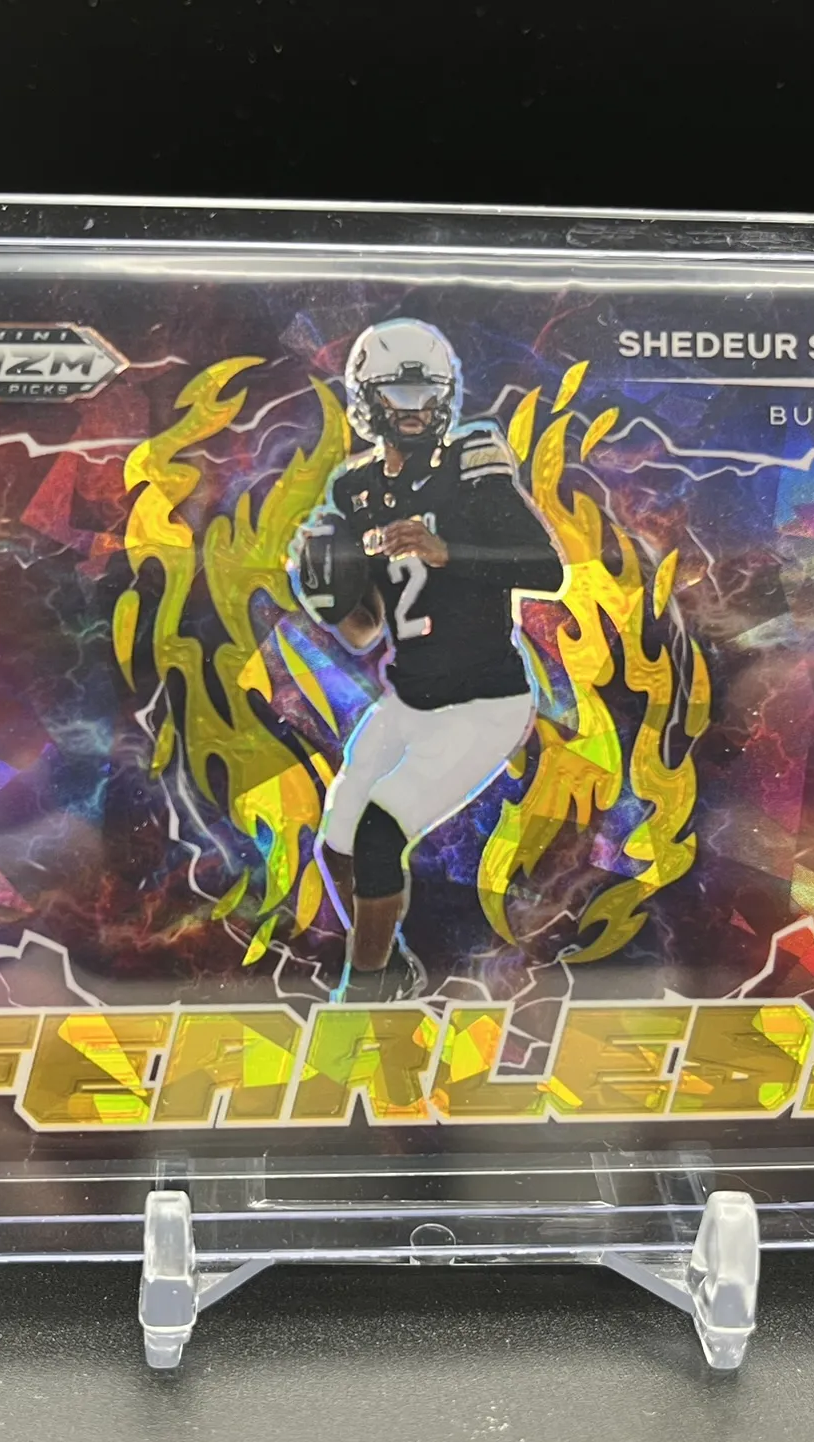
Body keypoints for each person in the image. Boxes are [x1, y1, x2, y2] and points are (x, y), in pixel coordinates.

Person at [289, 319, 567, 1001]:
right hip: (408, 696)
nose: (416, 408)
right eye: (400, 392)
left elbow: (547, 568)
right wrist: (322, 595)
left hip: (484, 700)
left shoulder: (471, 464)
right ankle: (390, 964)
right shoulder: (355, 490)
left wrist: (450, 553)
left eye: (427, 392)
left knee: (379, 835)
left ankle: (364, 992)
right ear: (369, 398)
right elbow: (364, 631)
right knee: (337, 846)